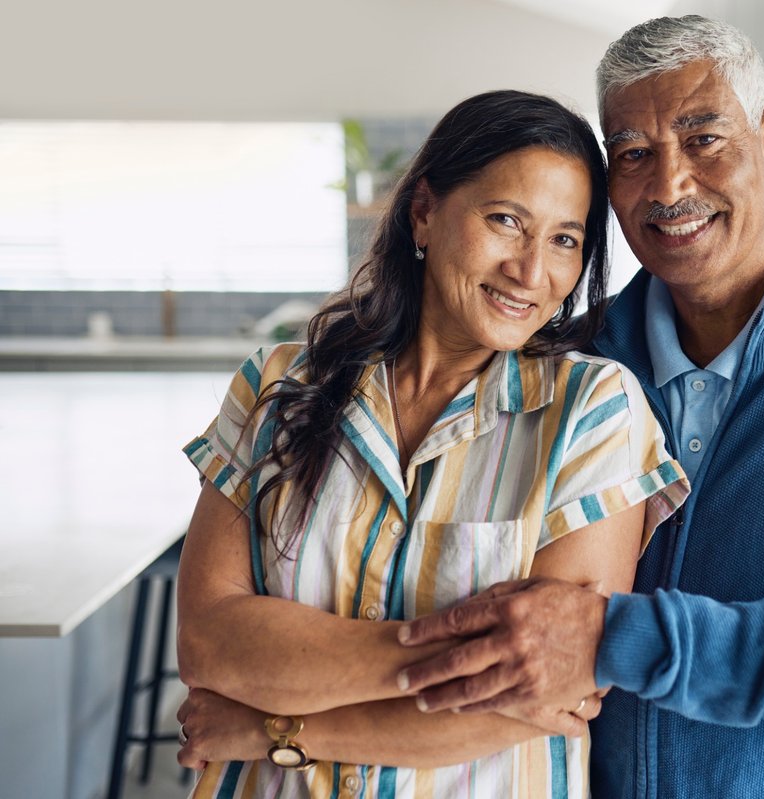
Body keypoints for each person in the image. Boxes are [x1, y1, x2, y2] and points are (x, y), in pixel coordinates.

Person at [390, 16, 764, 797]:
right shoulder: (566, 361)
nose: (668, 187)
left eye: (704, 139)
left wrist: (616, 637)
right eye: (633, 154)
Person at [173, 89, 689, 799]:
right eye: (506, 220)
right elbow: (209, 642)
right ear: (424, 211)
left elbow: (540, 693)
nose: (532, 271)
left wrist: (272, 728)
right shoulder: (276, 385)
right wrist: (467, 655)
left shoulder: (593, 413)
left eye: (566, 240)